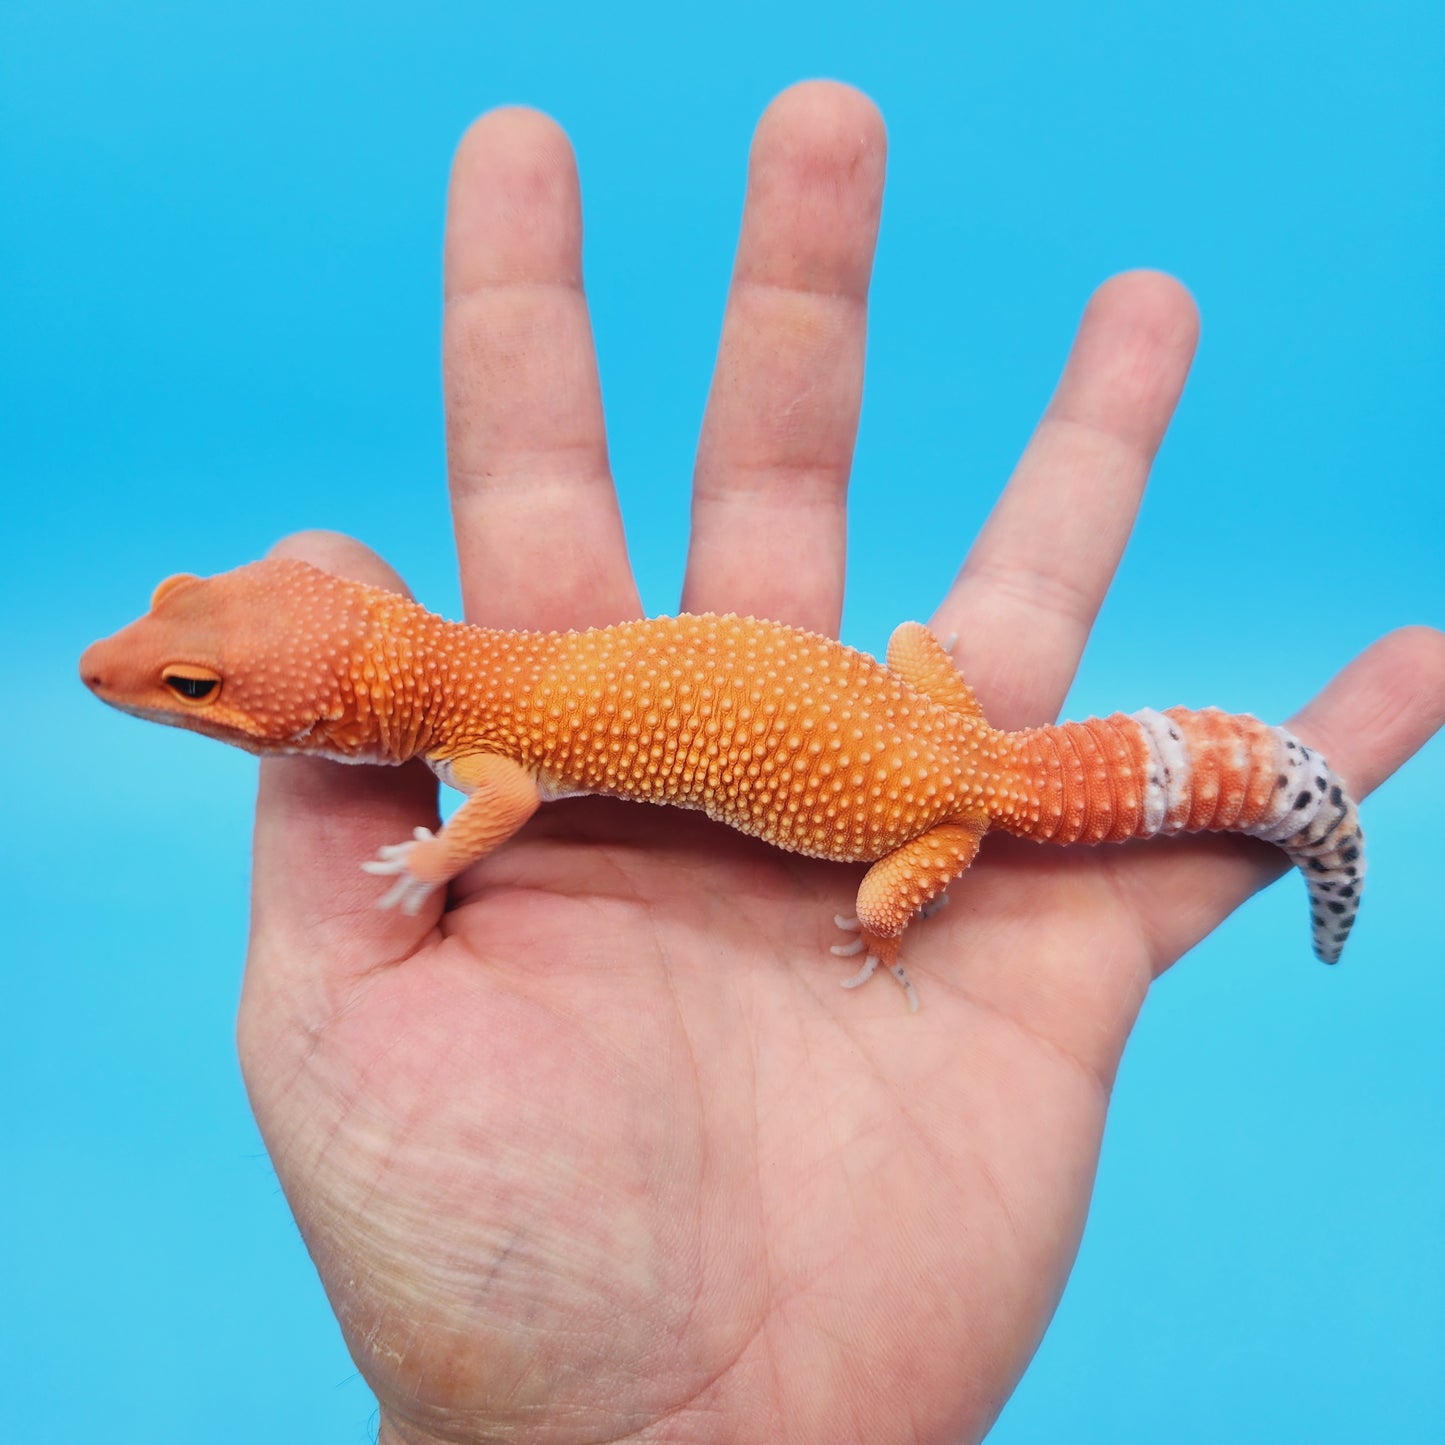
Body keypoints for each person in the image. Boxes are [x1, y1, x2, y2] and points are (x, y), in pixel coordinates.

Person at [240, 82, 1445, 1443]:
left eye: (197, 694)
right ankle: (1269, 806)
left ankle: (1286, 829)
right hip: (931, 714)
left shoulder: (479, 728)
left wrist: (439, 852)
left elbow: (500, 798)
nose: (162, 696)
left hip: (938, 804)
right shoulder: (482, 667)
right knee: (910, 658)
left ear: (338, 716)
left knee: (871, 908)